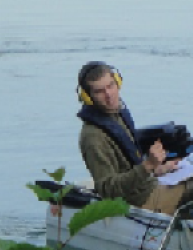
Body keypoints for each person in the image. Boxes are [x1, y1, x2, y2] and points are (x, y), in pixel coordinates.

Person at [76, 61, 179, 207]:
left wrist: (158, 169)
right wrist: (148, 165)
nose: (109, 95)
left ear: (118, 82)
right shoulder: (93, 137)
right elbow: (108, 189)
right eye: (99, 91)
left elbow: (129, 168)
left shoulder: (116, 115)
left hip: (150, 186)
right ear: (88, 97)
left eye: (111, 86)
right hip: (140, 202)